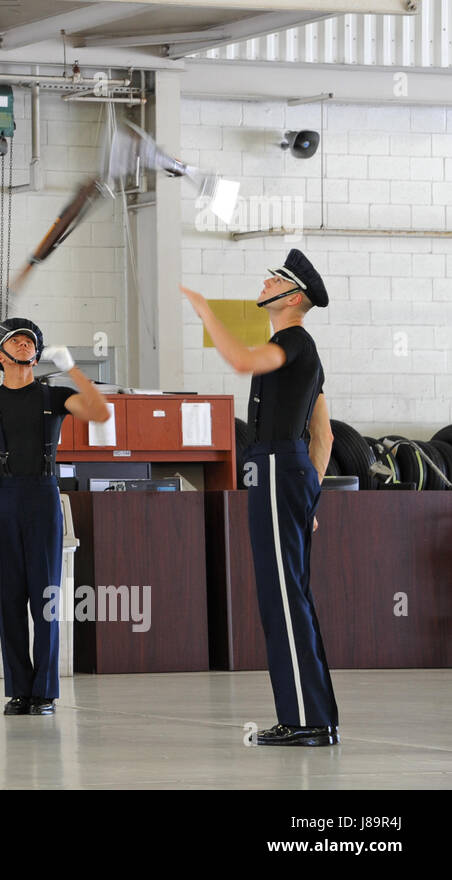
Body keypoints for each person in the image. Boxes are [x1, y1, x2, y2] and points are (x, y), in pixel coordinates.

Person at [181, 249, 339, 747]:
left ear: (291, 297)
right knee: (290, 595)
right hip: (284, 474)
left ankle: (306, 722)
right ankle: (315, 717)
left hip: (274, 469)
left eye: (274, 280)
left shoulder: (292, 342)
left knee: (282, 599)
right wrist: (307, 497)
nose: (265, 282)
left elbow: (241, 359)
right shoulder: (301, 352)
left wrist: (207, 312)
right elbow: (325, 438)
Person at [0, 318, 110, 717]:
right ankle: (19, 689)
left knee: (45, 597)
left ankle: (45, 691)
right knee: (9, 599)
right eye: (16, 339)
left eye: (30, 340)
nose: (25, 344)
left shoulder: (55, 395)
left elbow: (101, 412)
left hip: (42, 496)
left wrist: (72, 368)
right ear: (1, 355)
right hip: (2, 499)